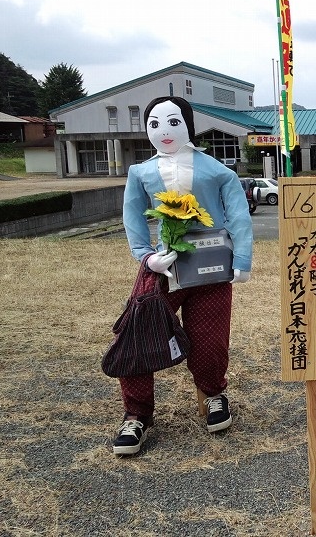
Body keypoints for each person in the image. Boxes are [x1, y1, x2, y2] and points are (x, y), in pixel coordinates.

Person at [112, 95, 253, 455]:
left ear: (188, 125)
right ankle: (137, 413)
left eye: (173, 122)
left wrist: (242, 258)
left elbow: (238, 214)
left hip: (212, 267)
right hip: (163, 265)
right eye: (154, 124)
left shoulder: (217, 170)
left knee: (210, 336)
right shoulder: (141, 173)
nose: (164, 130)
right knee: (136, 332)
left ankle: (214, 393)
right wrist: (146, 257)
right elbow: (132, 216)